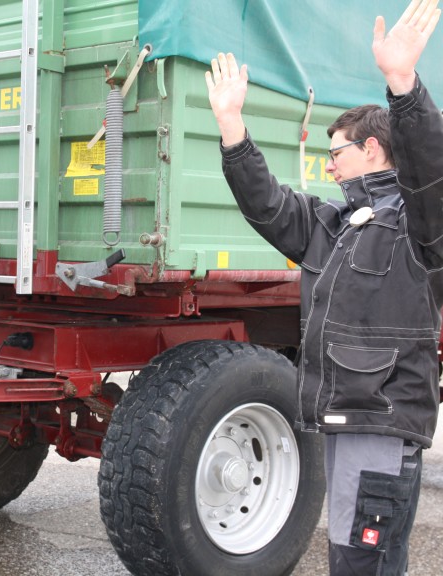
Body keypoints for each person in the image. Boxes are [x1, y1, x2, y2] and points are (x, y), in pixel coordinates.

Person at [205, 1, 443, 574]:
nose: (329, 167)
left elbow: (430, 173)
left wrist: (402, 85)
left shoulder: (418, 225)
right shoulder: (335, 225)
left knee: (366, 560)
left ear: (373, 150)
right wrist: (232, 126)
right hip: (343, 417)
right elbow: (268, 206)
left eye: (336, 153)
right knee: (350, 557)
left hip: (381, 421)